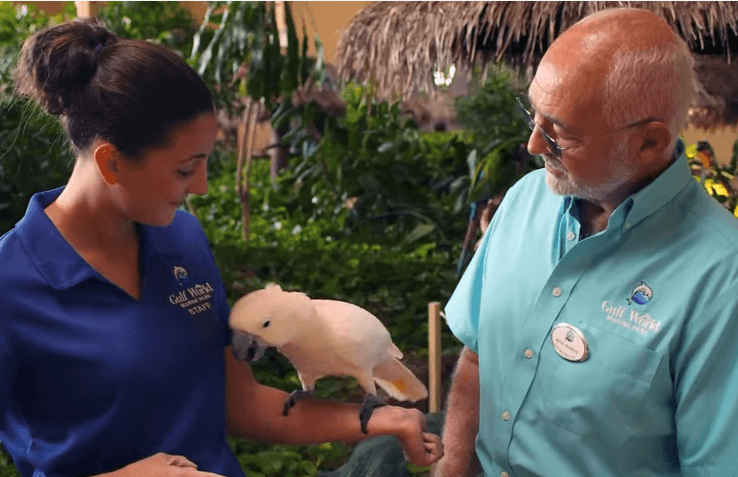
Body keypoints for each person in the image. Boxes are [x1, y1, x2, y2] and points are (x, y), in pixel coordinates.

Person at [0, 17, 442, 477]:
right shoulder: (10, 283)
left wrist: (381, 418)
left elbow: (242, 402)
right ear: (112, 161)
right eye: (184, 170)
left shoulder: (182, 239)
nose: (205, 187)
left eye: (206, 162)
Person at [437, 7, 738, 477]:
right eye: (532, 113)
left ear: (648, 144)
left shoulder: (723, 279)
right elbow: (478, 358)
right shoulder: (523, 201)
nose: (534, 144)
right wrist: (452, 467)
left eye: (561, 134)